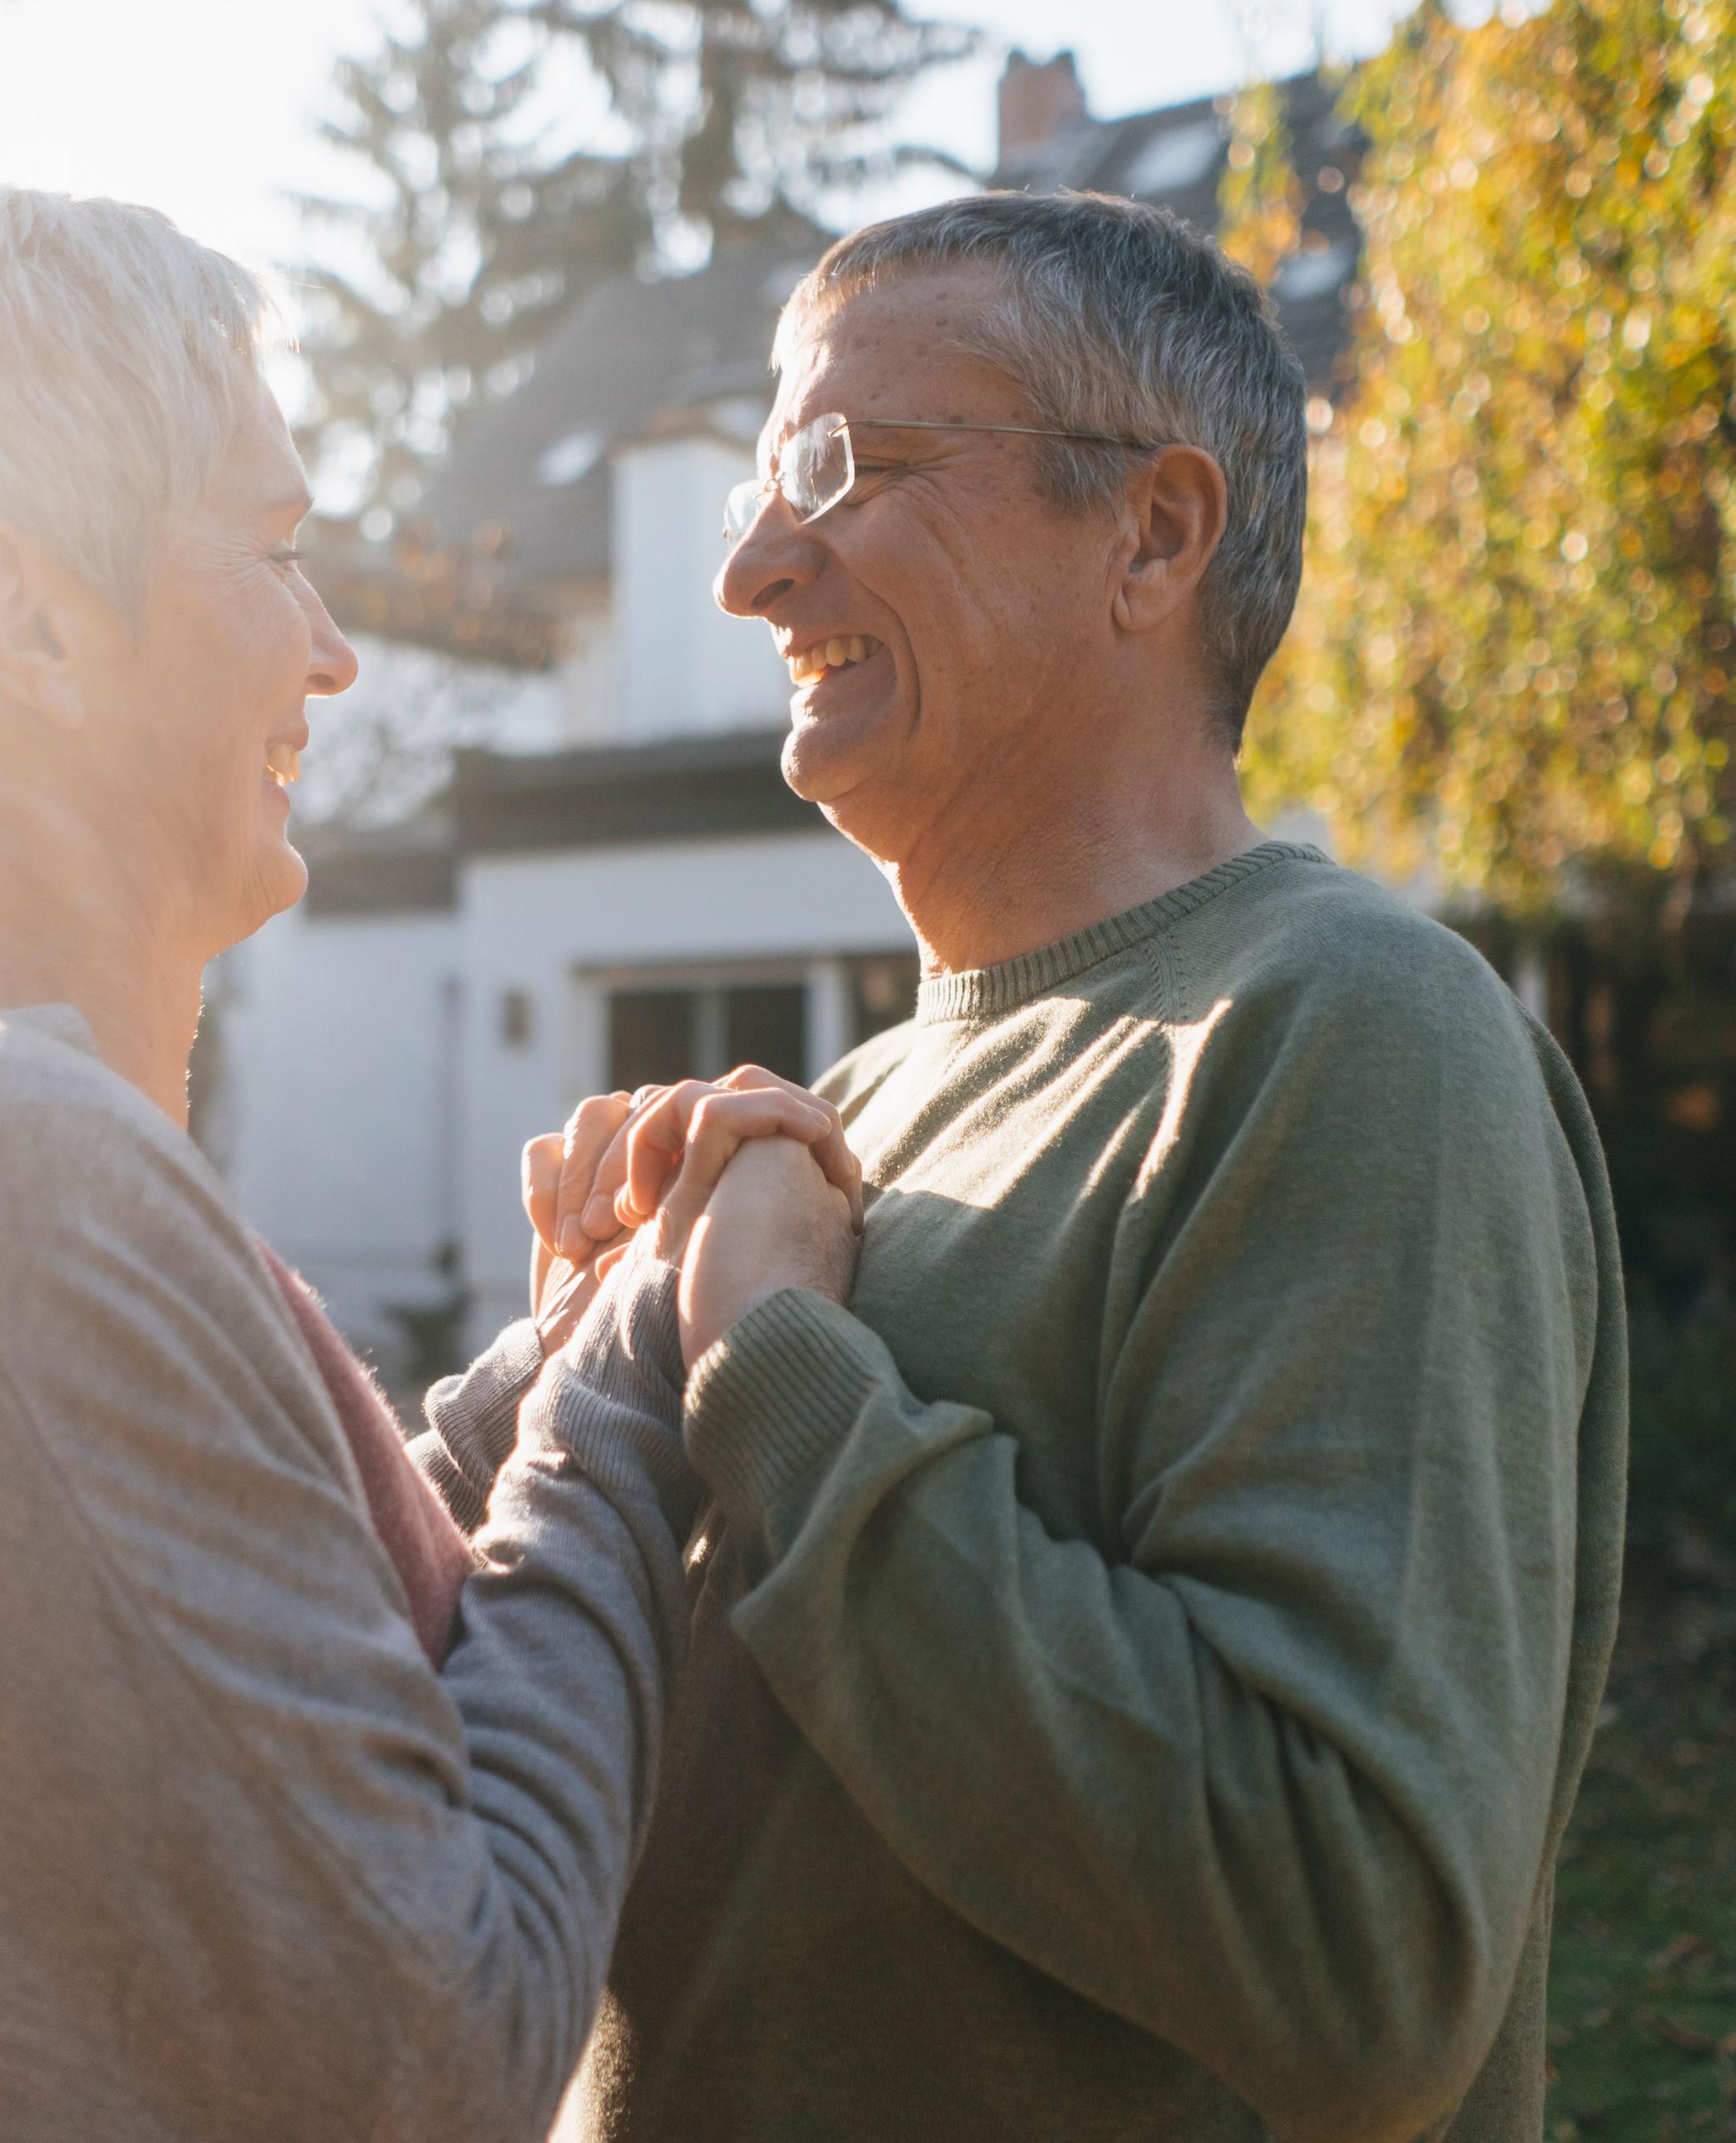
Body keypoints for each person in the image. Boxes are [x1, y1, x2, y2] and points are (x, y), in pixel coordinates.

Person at [0, 179, 854, 2142]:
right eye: (275, 552)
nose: (335, 656)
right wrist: (632, 1386)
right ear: (31, 620)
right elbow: (430, 2043)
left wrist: (544, 1373)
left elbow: (233, 1664)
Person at [490, 190, 1631, 2143]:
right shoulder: (850, 1106)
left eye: (846, 469)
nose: (757, 567)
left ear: (1154, 534)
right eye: (770, 483)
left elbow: (1351, 1951)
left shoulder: (1355, 1031)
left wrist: (768, 1357)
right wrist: (595, 1410)